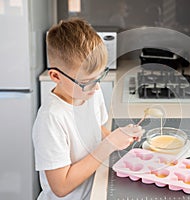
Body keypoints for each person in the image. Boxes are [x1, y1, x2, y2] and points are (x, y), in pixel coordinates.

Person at [32, 18, 144, 200]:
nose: (97, 88)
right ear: (55, 76)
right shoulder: (51, 119)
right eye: (86, 82)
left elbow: (95, 130)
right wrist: (108, 146)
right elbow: (60, 187)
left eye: (99, 78)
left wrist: (119, 137)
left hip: (93, 192)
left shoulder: (89, 94)